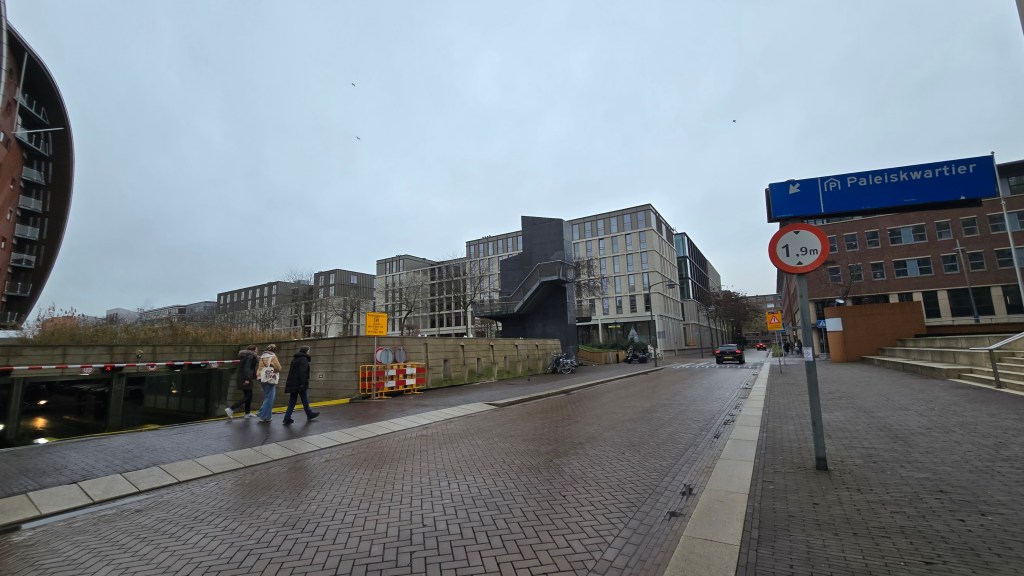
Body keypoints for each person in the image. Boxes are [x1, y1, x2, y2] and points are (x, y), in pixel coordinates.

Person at [282, 345, 319, 425]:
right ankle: (309, 414)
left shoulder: (295, 359)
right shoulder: (304, 359)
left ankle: (287, 417)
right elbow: (303, 372)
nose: (309, 352)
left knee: (292, 401)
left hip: (293, 383)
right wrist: (302, 384)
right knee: (304, 399)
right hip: (300, 383)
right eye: (309, 351)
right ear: (306, 351)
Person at [225, 344, 258, 419]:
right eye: (256, 349)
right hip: (245, 378)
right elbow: (247, 368)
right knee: (247, 396)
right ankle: (231, 409)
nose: (257, 351)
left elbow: (249, 368)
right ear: (253, 350)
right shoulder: (250, 357)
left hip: (244, 377)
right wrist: (247, 379)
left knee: (249, 396)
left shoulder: (246, 356)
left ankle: (247, 413)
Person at [255, 344, 282, 422]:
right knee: (270, 398)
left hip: (262, 378)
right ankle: (265, 416)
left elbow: (259, 368)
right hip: (269, 379)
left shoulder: (262, 356)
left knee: (267, 396)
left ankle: (261, 412)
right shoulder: (273, 356)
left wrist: (258, 377)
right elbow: (279, 368)